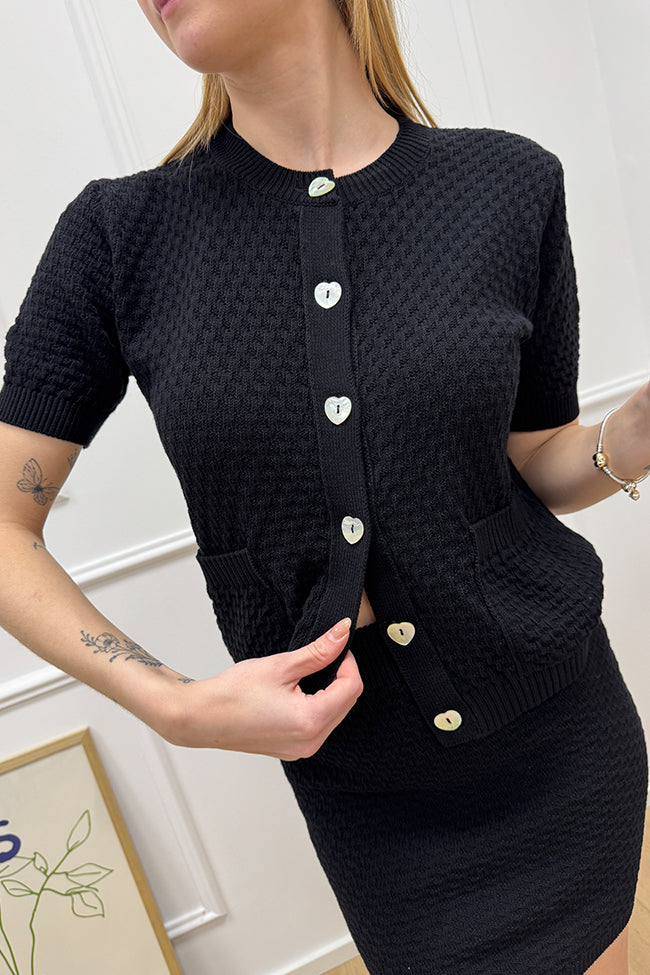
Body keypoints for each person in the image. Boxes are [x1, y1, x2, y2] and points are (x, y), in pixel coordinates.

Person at [0, 1, 648, 972]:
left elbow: (531, 459)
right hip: (371, 801)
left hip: (562, 733)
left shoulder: (508, 184)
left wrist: (630, 437)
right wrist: (173, 704)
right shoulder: (118, 238)